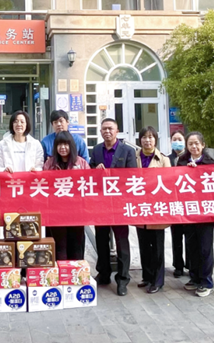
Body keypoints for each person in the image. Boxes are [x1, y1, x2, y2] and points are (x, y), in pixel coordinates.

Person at [89, 118, 136, 296]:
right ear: (100, 132)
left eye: (110, 128)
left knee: (121, 241)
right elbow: (90, 171)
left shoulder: (128, 151)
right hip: (101, 203)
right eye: (104, 129)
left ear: (117, 131)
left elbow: (132, 176)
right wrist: (95, 170)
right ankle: (104, 273)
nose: (107, 131)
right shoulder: (96, 150)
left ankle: (123, 279)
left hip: (119, 203)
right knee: (101, 239)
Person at [177, 131, 214, 298]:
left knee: (205, 247)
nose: (194, 146)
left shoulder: (210, 162)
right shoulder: (182, 161)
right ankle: (194, 277)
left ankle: (207, 281)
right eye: (190, 144)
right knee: (191, 246)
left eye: (196, 143)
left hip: (206, 212)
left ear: (203, 145)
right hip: (188, 211)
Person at [43, 131, 90, 260]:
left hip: (77, 212)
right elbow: (44, 186)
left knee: (76, 246)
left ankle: (76, 272)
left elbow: (88, 185)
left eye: (66, 144)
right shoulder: (49, 164)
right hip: (56, 212)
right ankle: (61, 272)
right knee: (59, 246)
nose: (63, 148)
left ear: (71, 146)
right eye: (59, 145)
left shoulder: (81, 163)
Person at [135, 126, 171, 294]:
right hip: (140, 208)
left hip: (157, 209)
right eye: (144, 137)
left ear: (155, 140)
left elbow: (168, 183)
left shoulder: (163, 159)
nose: (147, 140)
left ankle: (158, 281)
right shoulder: (134, 157)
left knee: (157, 247)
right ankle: (147, 277)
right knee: (144, 245)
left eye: (150, 137)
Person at [167, 130, 189, 278]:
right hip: (173, 204)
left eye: (180, 139)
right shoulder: (167, 159)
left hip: (188, 203)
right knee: (176, 237)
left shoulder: (189, 158)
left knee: (190, 237)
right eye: (174, 139)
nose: (177, 142)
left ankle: (191, 264)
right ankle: (178, 265)